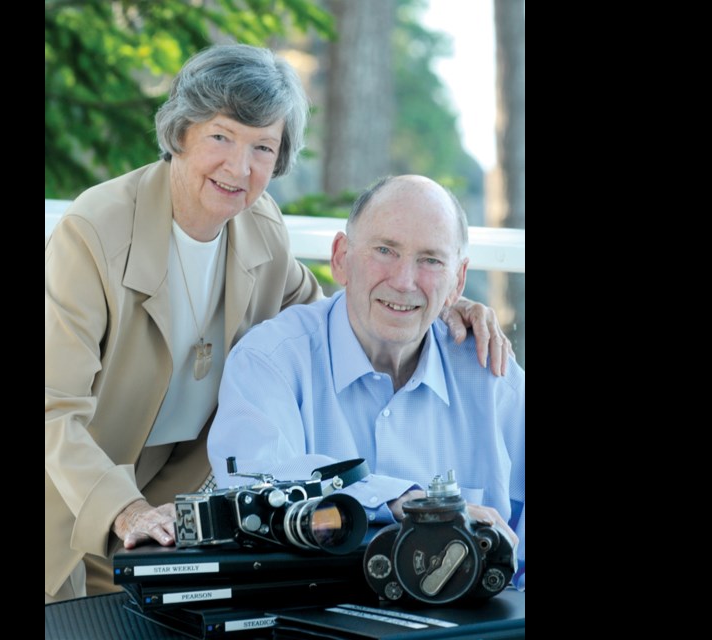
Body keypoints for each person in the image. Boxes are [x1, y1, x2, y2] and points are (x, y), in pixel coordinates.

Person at [45, 45, 512, 603]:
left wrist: (441, 307)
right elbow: (53, 409)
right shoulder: (94, 234)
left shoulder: (260, 228)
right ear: (180, 132)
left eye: (262, 146)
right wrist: (125, 510)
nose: (240, 167)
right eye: (221, 136)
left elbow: (335, 319)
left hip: (175, 513)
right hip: (77, 496)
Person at [208, 175, 525, 587]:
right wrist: (407, 503)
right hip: (312, 617)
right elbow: (257, 482)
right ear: (341, 258)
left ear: (458, 282)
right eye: (384, 250)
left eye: (430, 260)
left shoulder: (489, 373)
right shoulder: (270, 360)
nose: (404, 281)